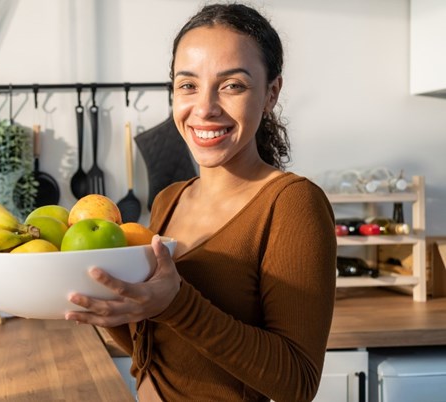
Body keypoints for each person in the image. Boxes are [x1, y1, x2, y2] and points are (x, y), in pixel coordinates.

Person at [64, 3, 337, 401]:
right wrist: (106, 303)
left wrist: (177, 303)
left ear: (270, 93)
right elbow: (159, 348)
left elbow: (297, 382)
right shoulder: (168, 200)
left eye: (232, 85)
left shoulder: (292, 204)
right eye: (188, 85)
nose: (205, 108)